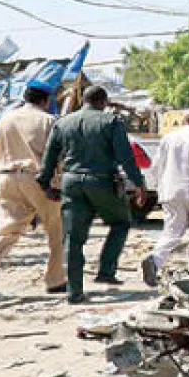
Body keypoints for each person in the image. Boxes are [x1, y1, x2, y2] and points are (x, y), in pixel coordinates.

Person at [37, 85, 146, 304]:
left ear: (83, 101)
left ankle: (74, 293)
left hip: (71, 182)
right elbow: (125, 156)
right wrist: (139, 183)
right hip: (102, 180)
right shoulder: (110, 122)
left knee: (73, 239)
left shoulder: (62, 122)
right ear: (103, 102)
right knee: (121, 222)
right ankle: (106, 270)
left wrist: (45, 183)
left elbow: (49, 156)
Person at [0, 83, 67, 294]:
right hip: (37, 179)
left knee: (6, 233)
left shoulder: (4, 120)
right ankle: (55, 280)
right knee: (56, 231)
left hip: (5, 178)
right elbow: (57, 156)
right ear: (45, 101)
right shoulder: (49, 121)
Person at [141, 108, 189, 286]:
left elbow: (156, 166)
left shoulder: (168, 138)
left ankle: (155, 260)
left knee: (172, 229)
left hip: (170, 191)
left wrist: (156, 187)